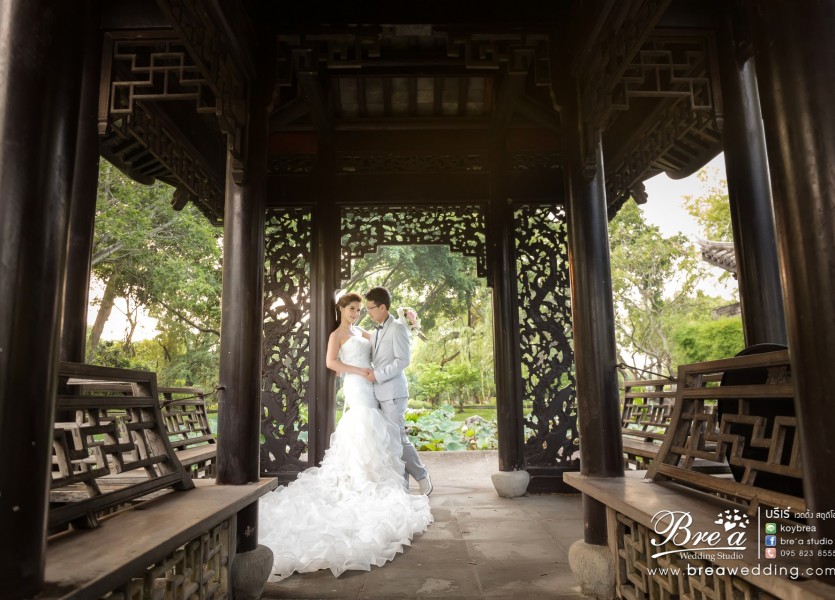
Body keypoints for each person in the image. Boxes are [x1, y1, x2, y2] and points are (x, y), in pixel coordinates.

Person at [258, 292, 432, 581]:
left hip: (374, 385)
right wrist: (358, 371)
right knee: (362, 425)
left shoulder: (364, 331)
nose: (355, 314)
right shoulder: (337, 335)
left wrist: (399, 335)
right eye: (351, 309)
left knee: (380, 433)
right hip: (356, 383)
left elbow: (383, 353)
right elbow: (331, 363)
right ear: (340, 309)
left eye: (359, 309)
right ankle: (359, 476)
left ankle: (383, 476)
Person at [364, 286, 433, 495]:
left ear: (383, 307)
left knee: (398, 439)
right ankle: (402, 487)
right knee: (389, 442)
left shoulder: (397, 328)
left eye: (370, 308)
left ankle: (422, 475)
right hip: (378, 393)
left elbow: (403, 360)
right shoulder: (376, 331)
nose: (368, 313)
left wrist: (378, 375)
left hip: (394, 392)